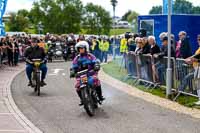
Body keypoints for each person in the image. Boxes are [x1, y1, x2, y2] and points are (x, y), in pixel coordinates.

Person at [70, 41, 105, 106]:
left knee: (96, 81)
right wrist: (72, 71)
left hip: (91, 74)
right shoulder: (77, 58)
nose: (81, 50)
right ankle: (82, 99)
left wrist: (96, 65)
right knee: (78, 87)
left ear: (86, 48)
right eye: (79, 49)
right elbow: (73, 66)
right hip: (81, 76)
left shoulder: (90, 56)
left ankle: (100, 96)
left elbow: (96, 61)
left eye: (82, 48)